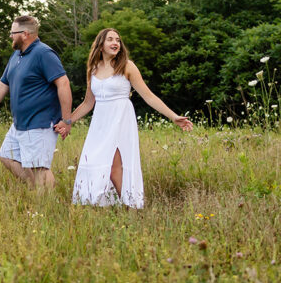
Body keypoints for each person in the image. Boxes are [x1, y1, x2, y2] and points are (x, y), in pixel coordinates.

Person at [66, 28, 193, 208]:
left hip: (120, 121)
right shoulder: (93, 69)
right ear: (100, 45)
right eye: (110, 39)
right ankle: (109, 204)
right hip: (100, 124)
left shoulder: (127, 66)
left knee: (114, 167)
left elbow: (148, 96)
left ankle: (131, 207)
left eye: (117, 39)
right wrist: (67, 121)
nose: (115, 43)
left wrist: (173, 117)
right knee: (96, 162)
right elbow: (87, 103)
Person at [0, 15, 72, 190]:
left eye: (13, 33)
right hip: (20, 124)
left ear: (25, 34)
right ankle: (36, 189)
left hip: (40, 122)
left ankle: (46, 207)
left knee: (40, 168)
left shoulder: (43, 53)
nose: (10, 36)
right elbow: (1, 85)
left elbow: (63, 83)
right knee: (6, 156)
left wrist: (66, 120)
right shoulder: (16, 55)